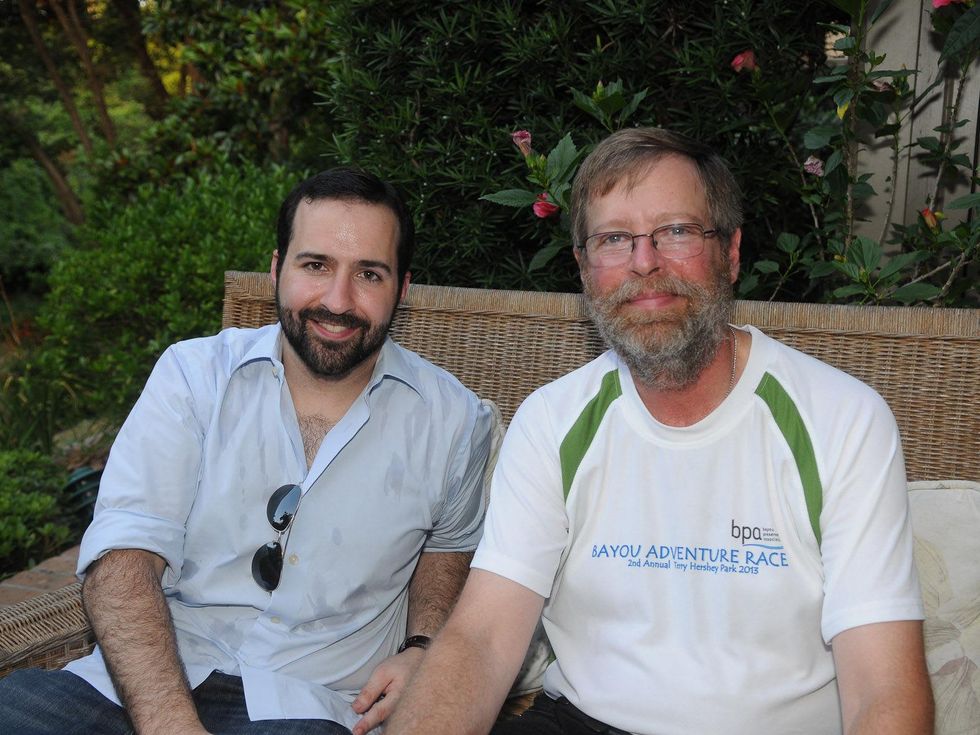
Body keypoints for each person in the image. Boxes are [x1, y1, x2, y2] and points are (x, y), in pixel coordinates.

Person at [387, 128, 933, 735]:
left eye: (676, 231)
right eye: (614, 239)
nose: (644, 263)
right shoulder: (551, 420)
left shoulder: (842, 420)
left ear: (731, 253)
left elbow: (884, 691)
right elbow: (482, 639)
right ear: (584, 269)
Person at [0, 168, 493, 735]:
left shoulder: (455, 421)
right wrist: (169, 724)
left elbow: (449, 547)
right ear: (276, 269)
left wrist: (424, 645)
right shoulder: (193, 376)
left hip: (306, 705)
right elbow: (123, 558)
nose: (338, 300)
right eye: (315, 265)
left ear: (402, 289)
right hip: (150, 678)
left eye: (369, 274)